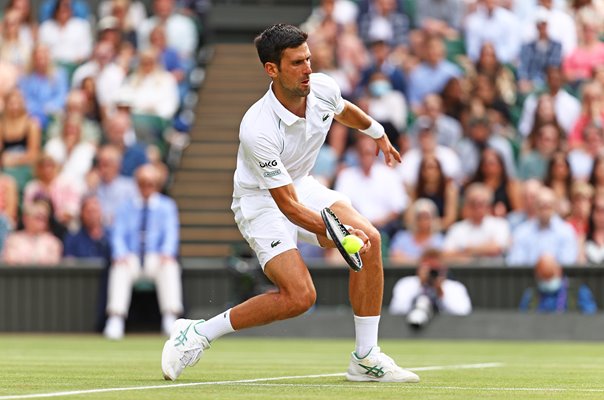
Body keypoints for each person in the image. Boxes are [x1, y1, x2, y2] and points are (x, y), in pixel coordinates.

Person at [161, 24, 419, 384]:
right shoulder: (257, 128)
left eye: (308, 59)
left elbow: (344, 111)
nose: (308, 69)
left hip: (302, 184)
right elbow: (288, 207)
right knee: (300, 297)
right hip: (261, 202)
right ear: (272, 70)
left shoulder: (322, 87)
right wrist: (338, 235)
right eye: (297, 63)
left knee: (371, 239)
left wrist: (378, 134)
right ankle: (199, 333)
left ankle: (365, 357)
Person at [103, 164, 183, 340]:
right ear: (137, 184)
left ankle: (170, 317)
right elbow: (118, 234)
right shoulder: (125, 207)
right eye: (142, 183)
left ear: (157, 184)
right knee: (119, 268)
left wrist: (167, 252)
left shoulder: (167, 206)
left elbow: (171, 233)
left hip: (155, 257)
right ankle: (116, 318)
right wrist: (120, 253)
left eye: (151, 183)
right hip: (131, 257)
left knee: (169, 266)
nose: (146, 187)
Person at [389, 248, 472, 327]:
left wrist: (440, 293)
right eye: (429, 268)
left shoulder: (455, 287)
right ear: (420, 268)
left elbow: (463, 313)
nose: (432, 273)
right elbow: (397, 310)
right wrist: (420, 285)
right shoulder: (406, 284)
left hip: (447, 332)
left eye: (435, 269)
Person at [507, 186, 578, 266]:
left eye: (548, 206)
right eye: (541, 206)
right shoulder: (522, 232)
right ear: (535, 207)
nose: (545, 211)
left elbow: (568, 263)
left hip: (559, 278)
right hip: (528, 278)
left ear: (555, 207)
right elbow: (515, 263)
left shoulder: (566, 231)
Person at [442, 183, 511, 264]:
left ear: (489, 206)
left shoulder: (500, 224)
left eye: (481, 203)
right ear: (467, 205)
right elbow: (446, 255)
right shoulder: (457, 228)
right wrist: (482, 251)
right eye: (473, 203)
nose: (478, 208)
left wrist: (467, 251)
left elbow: (497, 248)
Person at [519, 254, 597, 314]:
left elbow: (590, 317)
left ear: (559, 272)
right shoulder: (530, 295)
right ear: (537, 276)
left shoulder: (578, 291)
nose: (548, 282)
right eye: (545, 278)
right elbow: (522, 320)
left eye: (550, 277)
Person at [2, 200, 62, 265]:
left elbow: (53, 264)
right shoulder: (13, 240)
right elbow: (11, 261)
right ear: (26, 219)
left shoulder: (53, 242)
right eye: (38, 217)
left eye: (44, 217)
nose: (42, 221)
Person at [389, 199, 445, 265]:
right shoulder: (401, 237)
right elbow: (395, 258)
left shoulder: (439, 239)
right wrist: (421, 260)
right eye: (420, 217)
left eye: (426, 217)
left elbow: (441, 260)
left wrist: (408, 259)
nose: (423, 221)